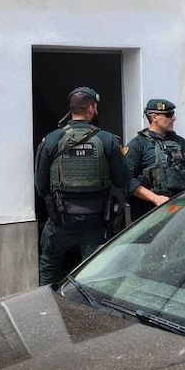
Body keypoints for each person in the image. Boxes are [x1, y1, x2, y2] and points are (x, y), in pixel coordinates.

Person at [34, 86, 131, 286]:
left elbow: (41, 186)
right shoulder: (108, 140)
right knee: (93, 274)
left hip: (60, 221)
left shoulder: (51, 139)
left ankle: (45, 302)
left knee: (49, 266)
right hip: (96, 222)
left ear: (71, 109)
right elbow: (123, 181)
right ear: (92, 108)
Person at [126, 98, 185, 220]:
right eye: (169, 115)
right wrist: (155, 198)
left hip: (184, 212)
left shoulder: (181, 142)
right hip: (152, 214)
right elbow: (127, 181)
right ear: (154, 117)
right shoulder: (138, 145)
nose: (174, 118)